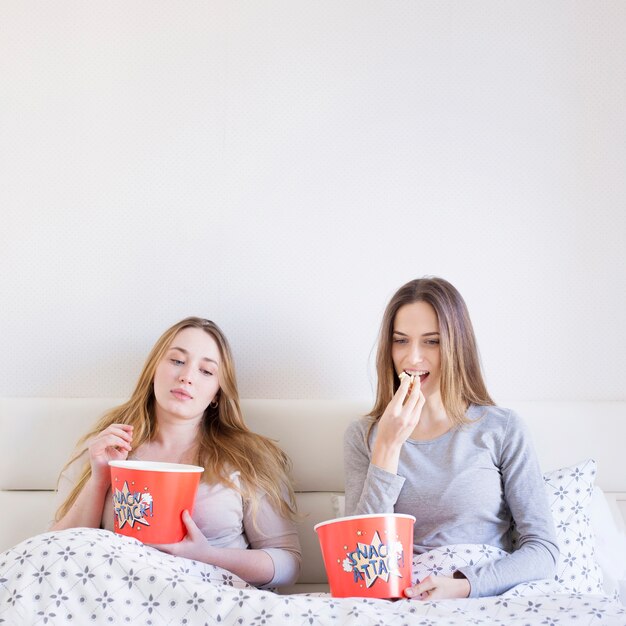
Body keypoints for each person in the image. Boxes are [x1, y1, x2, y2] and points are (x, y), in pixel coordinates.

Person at [343, 277, 558, 600]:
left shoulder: (502, 429)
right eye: (401, 341)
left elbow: (543, 550)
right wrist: (387, 447)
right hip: (402, 600)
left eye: (432, 342)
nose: (413, 358)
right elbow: (359, 558)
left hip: (482, 596)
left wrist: (464, 586)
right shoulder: (363, 436)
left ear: (457, 345)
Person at [52, 317, 301, 588]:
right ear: (153, 370)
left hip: (214, 601)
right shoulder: (107, 444)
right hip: (120, 600)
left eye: (206, 371)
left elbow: (288, 564)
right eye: (177, 361)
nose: (187, 376)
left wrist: (208, 556)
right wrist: (100, 479)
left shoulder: (248, 457)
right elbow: (56, 552)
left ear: (218, 393)